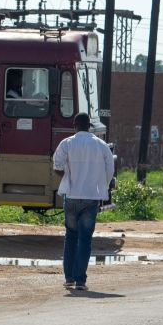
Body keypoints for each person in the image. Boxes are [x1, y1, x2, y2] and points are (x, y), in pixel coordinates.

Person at [53, 112, 114, 291]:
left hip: (71, 196)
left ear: (74, 125)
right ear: (90, 126)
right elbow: (109, 169)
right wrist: (100, 185)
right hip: (91, 198)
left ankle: (69, 278)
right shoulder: (101, 145)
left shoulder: (67, 143)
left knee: (71, 235)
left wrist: (68, 178)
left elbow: (57, 166)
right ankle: (81, 280)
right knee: (85, 238)